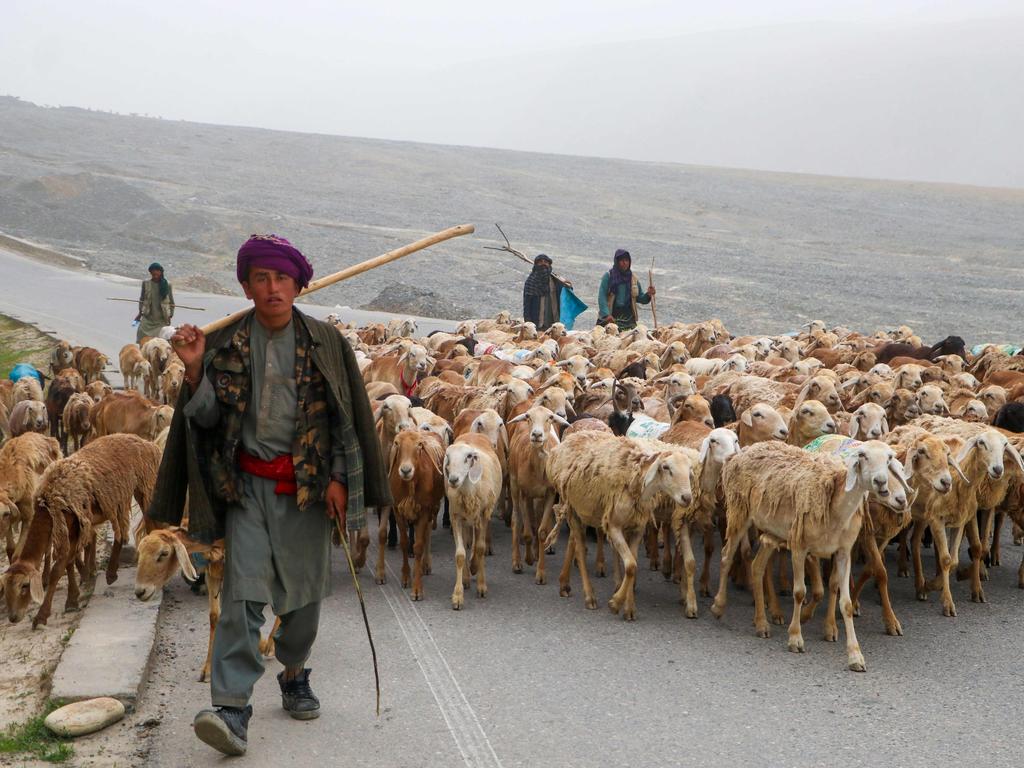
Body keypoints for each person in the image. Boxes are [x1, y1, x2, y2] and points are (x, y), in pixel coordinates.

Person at [148, 234, 391, 757]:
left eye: (282, 278)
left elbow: (343, 420)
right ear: (246, 285)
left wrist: (339, 480)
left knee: (303, 599)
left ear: (299, 285)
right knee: (243, 594)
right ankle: (232, 707)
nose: (272, 287)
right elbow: (207, 421)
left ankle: (295, 671)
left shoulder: (325, 342)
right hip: (247, 487)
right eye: (261, 278)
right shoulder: (226, 342)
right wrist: (193, 368)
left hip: (307, 488)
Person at [597, 248, 655, 331]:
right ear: (617, 262)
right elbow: (601, 297)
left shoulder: (633, 279)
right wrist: (606, 315)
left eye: (627, 260)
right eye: (622, 261)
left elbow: (640, 298)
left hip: (628, 318)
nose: (624, 263)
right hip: (612, 316)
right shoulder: (608, 276)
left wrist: (649, 294)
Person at [522, 254, 572, 331]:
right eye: (540, 262)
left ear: (549, 264)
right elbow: (527, 304)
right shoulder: (531, 282)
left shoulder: (556, 280)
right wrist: (528, 321)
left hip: (554, 322)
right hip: (537, 323)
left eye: (546, 262)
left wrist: (568, 286)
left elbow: (567, 294)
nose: (543, 264)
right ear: (536, 265)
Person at [135, 262, 175, 343]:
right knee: (141, 335)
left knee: (160, 342)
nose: (155, 276)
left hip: (161, 320)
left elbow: (172, 302)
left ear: (161, 272)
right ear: (150, 273)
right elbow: (142, 299)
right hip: (148, 318)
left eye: (157, 274)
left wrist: (170, 316)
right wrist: (140, 313)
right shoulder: (146, 283)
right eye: (153, 274)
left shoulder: (167, 284)